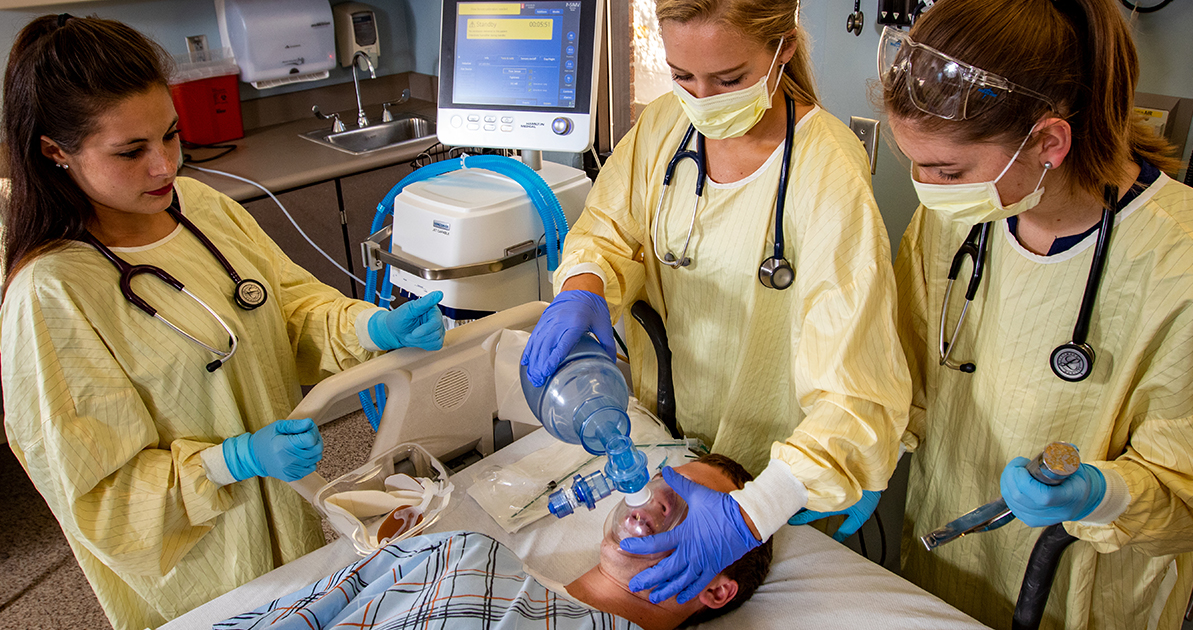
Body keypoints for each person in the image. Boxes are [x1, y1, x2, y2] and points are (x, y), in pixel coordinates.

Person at [0, 15, 445, 630]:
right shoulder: (51, 295)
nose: (163, 167)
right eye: (131, 152)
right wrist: (230, 462)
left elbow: (290, 310)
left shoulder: (201, 207)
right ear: (55, 152)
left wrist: (372, 329)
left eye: (171, 136)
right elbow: (99, 497)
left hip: (291, 517)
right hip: (204, 559)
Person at [520, 0, 910, 606]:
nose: (702, 98)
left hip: (768, 480)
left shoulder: (828, 167)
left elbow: (856, 390)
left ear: (782, 48)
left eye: (728, 80)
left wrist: (757, 511)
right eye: (682, 76)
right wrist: (584, 285)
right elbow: (608, 232)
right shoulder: (663, 128)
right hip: (660, 443)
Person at [881, 1, 1193, 628]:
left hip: (1089, 585)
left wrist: (1105, 493)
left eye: (946, 169)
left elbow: (1187, 491)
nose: (927, 189)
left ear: (1049, 142)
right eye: (915, 164)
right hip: (946, 551)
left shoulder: (1182, 263)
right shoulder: (951, 221)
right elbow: (899, 370)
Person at [218, 455, 774, 630]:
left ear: (718, 591)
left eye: (703, 515)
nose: (658, 502)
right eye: (663, 483)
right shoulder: (458, 550)